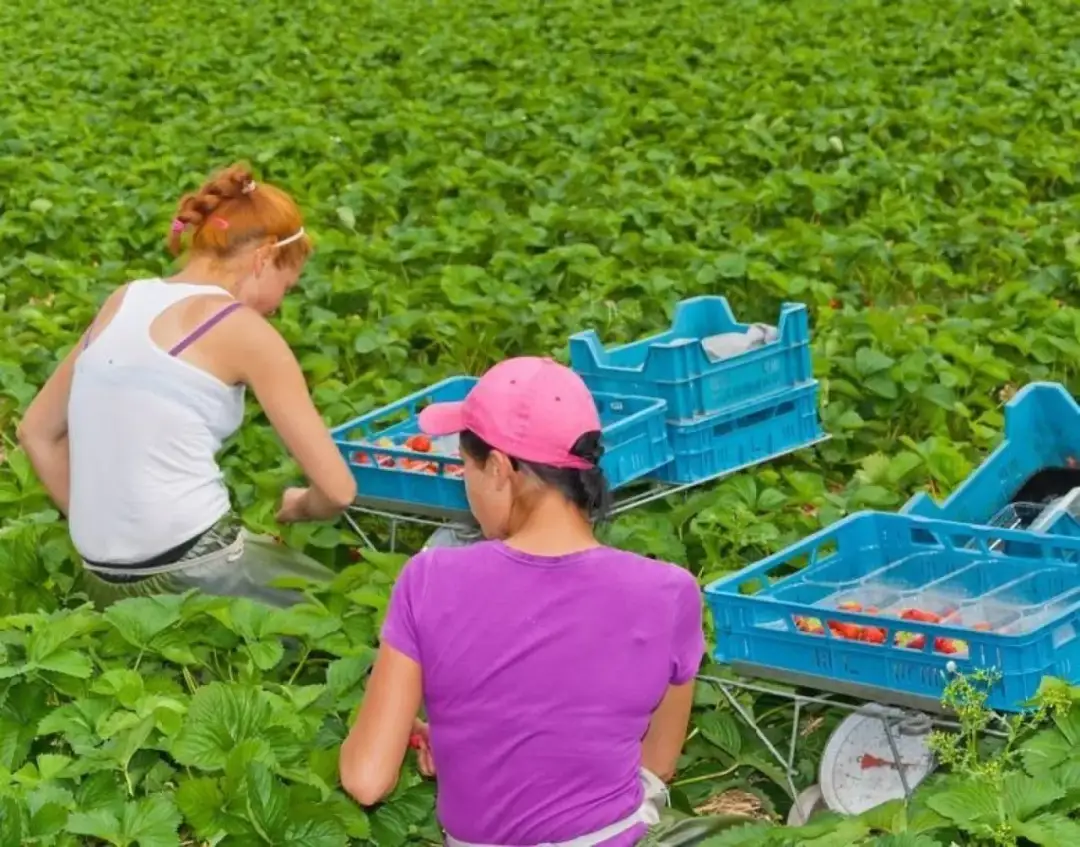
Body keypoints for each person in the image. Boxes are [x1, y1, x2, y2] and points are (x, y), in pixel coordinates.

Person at [339, 357, 705, 846]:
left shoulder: (431, 579)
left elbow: (366, 779)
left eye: (465, 467)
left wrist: (413, 721)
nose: (465, 485)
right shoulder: (670, 591)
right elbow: (656, 765)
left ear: (497, 468)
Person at [17, 163, 357, 609]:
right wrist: (299, 505)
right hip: (197, 565)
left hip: (102, 579)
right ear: (263, 259)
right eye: (286, 287)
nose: (277, 307)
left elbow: (35, 432)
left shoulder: (125, 298)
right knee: (363, 623)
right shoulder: (243, 330)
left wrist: (106, 533)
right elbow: (338, 490)